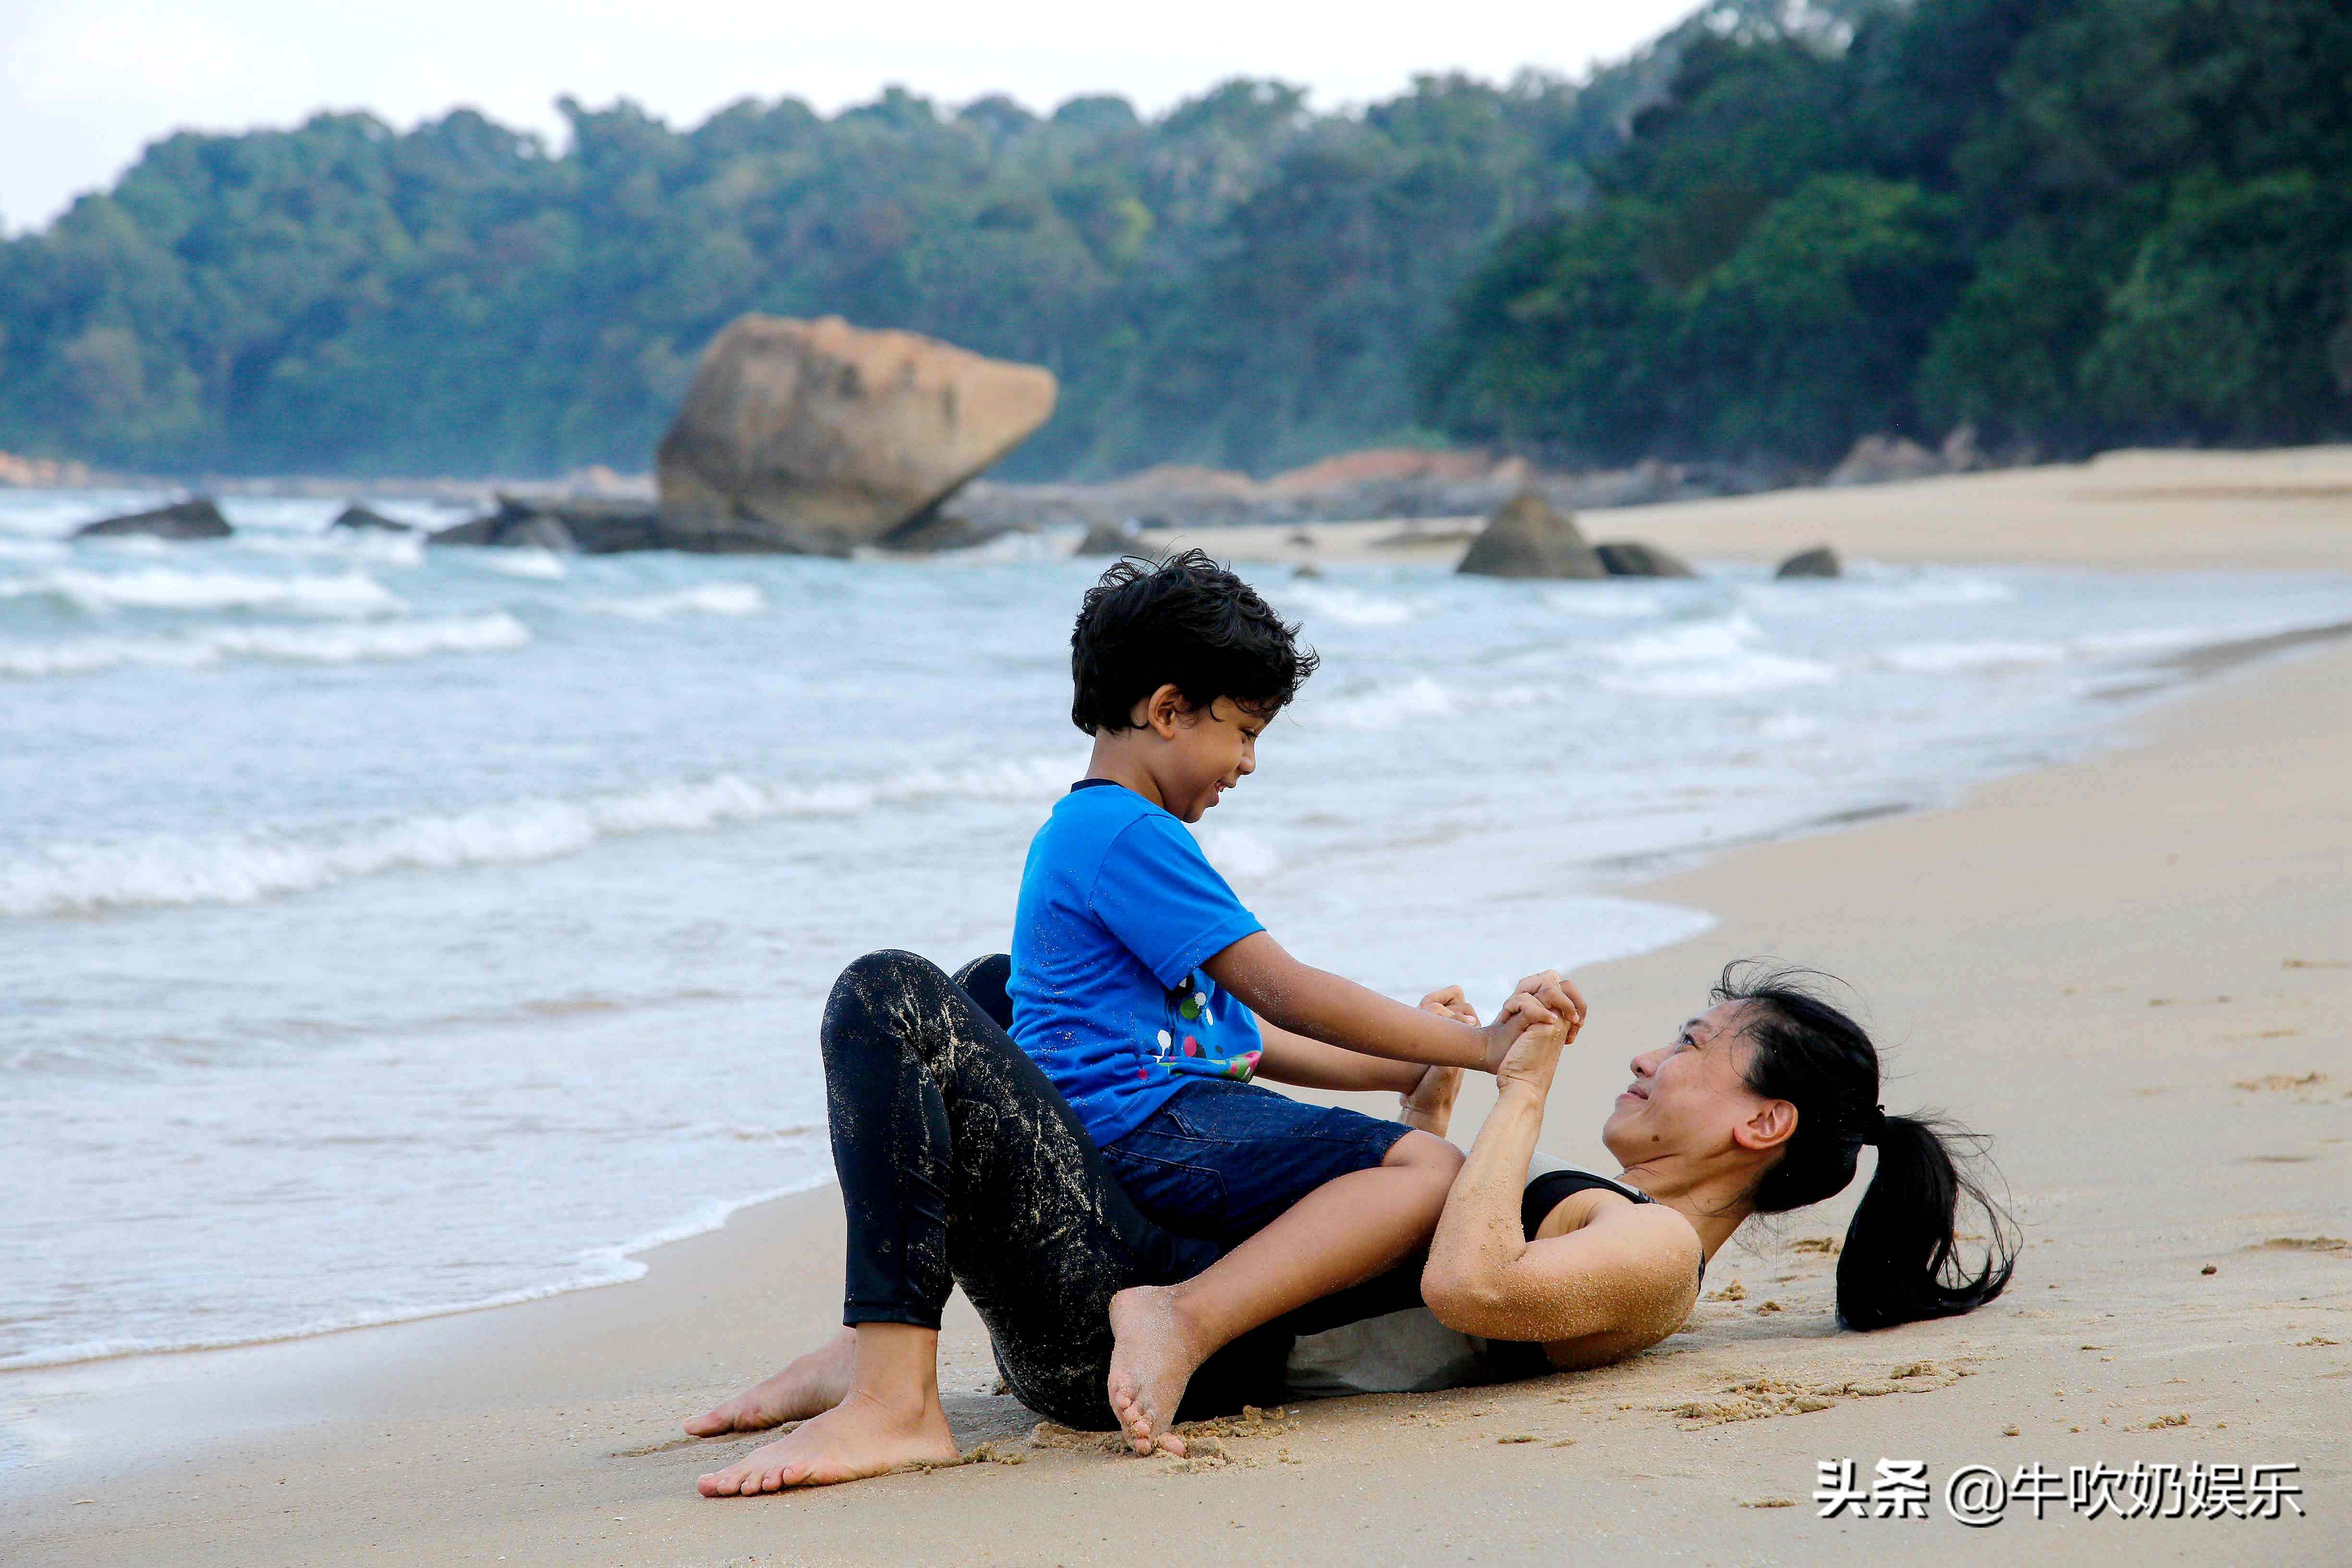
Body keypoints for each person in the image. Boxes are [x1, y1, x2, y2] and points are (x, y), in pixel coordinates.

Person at [688, 956, 2016, 1495]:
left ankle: (896, 1383)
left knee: (895, 998)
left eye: (1691, 1046)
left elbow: (1469, 1287)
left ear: (1760, 1124)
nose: (1650, 1059)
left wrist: (1521, 1087)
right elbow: (1405, 1233)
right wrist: (1423, 1097)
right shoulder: (1612, 1221)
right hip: (1132, 1284)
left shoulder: (1657, 1257)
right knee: (1009, 991)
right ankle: (882, 1335)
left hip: (1127, 1348)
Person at [1008, 550, 1572, 1453]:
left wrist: (1418, 1052)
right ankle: (1182, 1318)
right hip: (1137, 1122)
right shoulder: (1125, 832)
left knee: (1410, 1165)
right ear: (1165, 709)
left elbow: (1251, 1040)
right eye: (1242, 730)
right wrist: (1483, 1048)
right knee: (1426, 1173)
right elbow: (1292, 993)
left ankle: (1206, 1305)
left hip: (1150, 1112)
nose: (1247, 763)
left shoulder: (1097, 830)